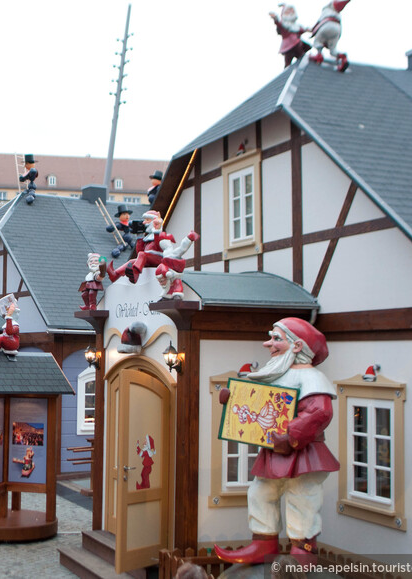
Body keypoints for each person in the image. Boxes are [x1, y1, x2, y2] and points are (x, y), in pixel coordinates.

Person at [214, 318, 339, 564]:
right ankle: (263, 543)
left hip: (302, 453)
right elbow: (259, 403)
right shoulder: (277, 373)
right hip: (274, 450)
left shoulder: (311, 377)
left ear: (296, 346)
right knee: (260, 492)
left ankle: (302, 551)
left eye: (276, 339)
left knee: (301, 496)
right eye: (271, 338)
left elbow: (319, 412)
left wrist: (292, 436)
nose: (268, 344)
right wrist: (234, 400)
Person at [107, 210, 198, 285]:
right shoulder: (147, 237)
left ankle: (135, 273)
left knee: (142, 255)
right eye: (144, 220)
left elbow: (159, 244)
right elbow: (139, 251)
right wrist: (139, 237)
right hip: (148, 259)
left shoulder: (159, 235)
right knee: (132, 261)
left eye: (147, 220)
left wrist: (157, 230)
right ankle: (115, 275)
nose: (144, 222)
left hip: (159, 259)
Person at [308, 0, 350, 72]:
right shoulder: (338, 14)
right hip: (337, 29)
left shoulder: (326, 11)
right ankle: (342, 57)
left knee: (318, 41)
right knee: (333, 49)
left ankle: (319, 55)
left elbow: (319, 22)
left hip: (326, 25)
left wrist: (312, 30)